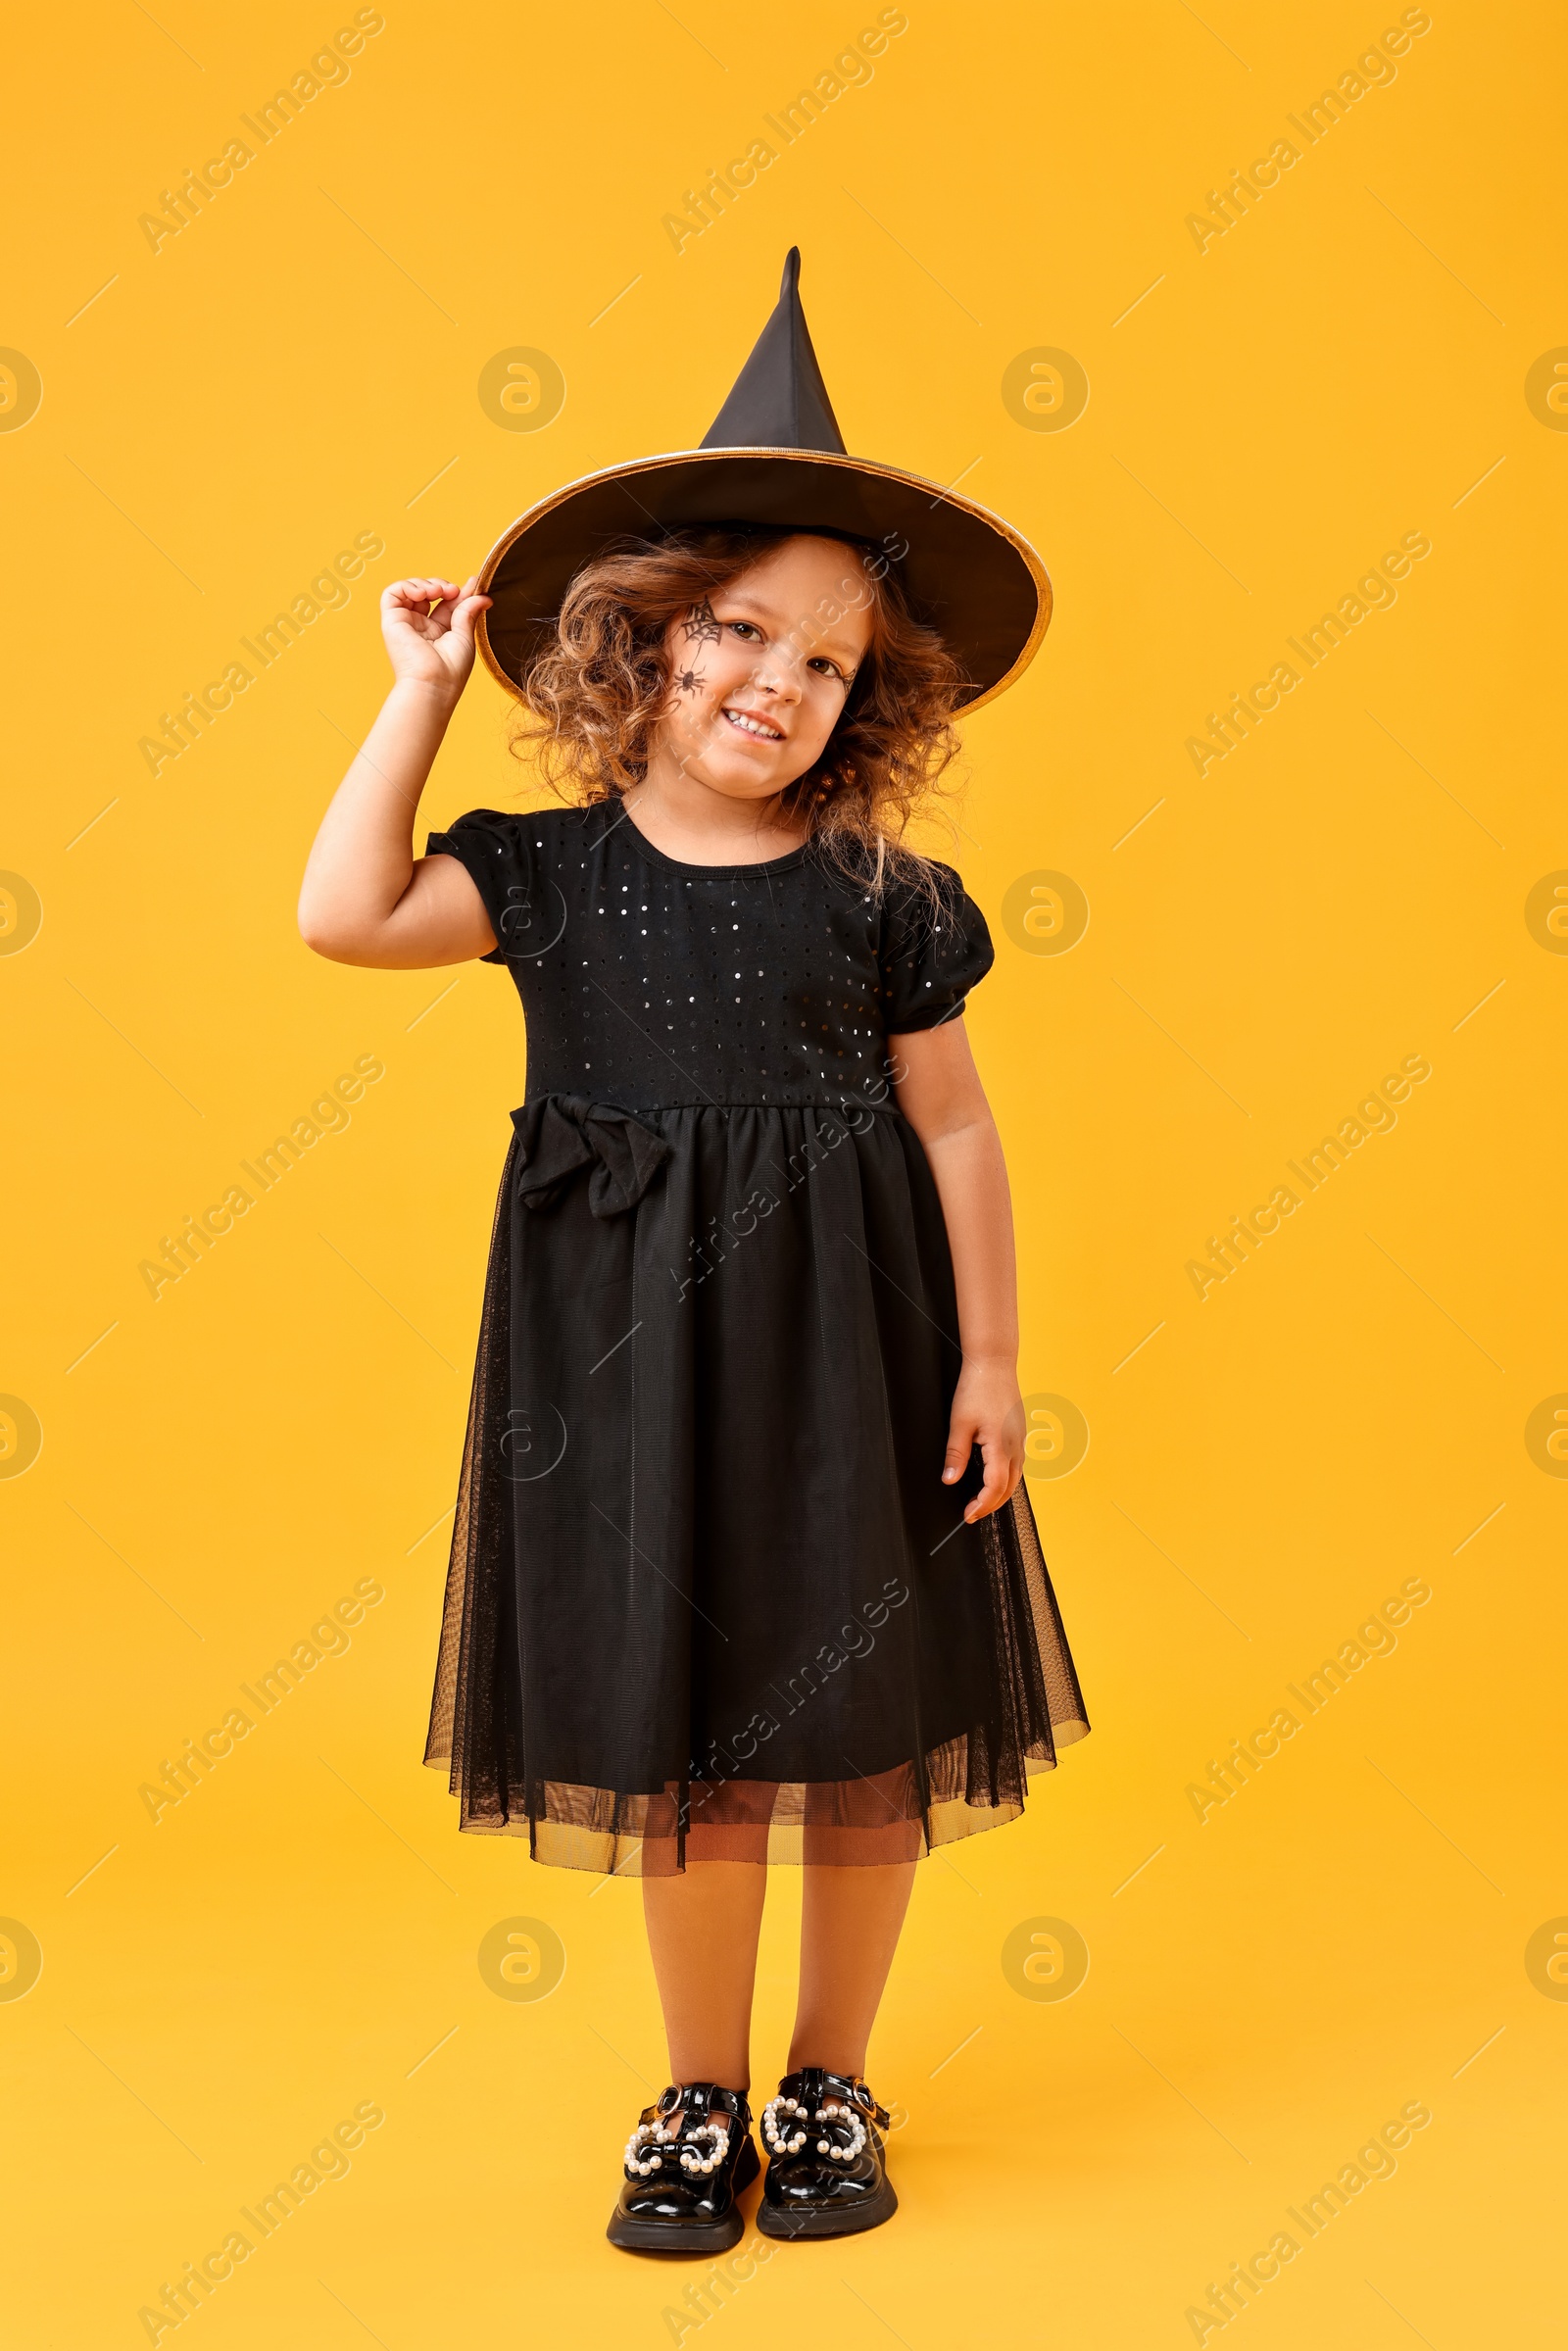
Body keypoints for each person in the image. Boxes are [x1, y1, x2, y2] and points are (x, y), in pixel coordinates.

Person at [298, 253, 1088, 2253]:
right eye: (737, 629)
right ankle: (698, 2091)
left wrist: (990, 1360)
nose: (773, 682)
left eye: (823, 661)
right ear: (643, 644)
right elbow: (339, 915)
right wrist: (409, 692)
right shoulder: (546, 876)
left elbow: (957, 1122)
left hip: (858, 1359)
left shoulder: (878, 894)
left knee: (869, 1739)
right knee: (695, 1755)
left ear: (867, 702)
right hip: (626, 1370)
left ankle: (830, 2079)